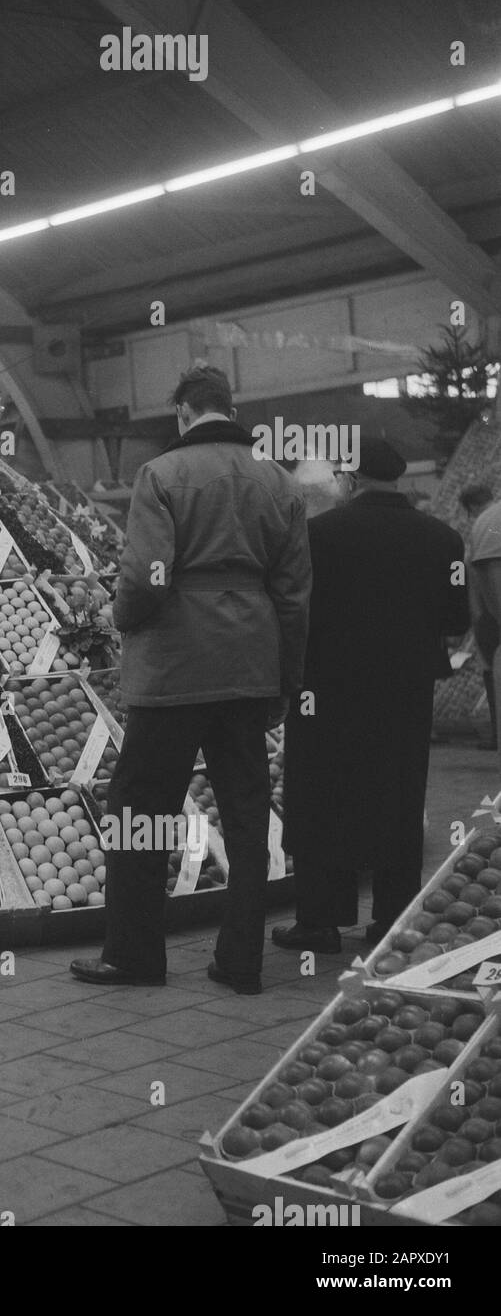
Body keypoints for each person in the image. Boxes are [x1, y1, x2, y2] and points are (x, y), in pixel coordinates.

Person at [69, 366, 311, 995]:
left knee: (138, 810)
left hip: (174, 670)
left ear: (182, 412)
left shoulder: (163, 474)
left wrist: (119, 617)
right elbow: (294, 596)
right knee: (247, 815)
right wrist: (285, 678)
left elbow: (148, 576)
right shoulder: (279, 480)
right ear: (228, 408)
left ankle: (135, 955)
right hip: (249, 668)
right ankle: (242, 961)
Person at [275, 441, 470, 954]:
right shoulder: (443, 538)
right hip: (403, 693)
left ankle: (320, 922)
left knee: (322, 794)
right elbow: (456, 620)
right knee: (398, 796)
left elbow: (293, 609)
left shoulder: (317, 535)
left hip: (326, 690)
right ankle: (390, 920)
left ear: (350, 480)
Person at [461, 482, 501, 751]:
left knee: (492, 673)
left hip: (487, 615)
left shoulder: (486, 521)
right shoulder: (493, 520)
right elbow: (489, 567)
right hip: (492, 615)